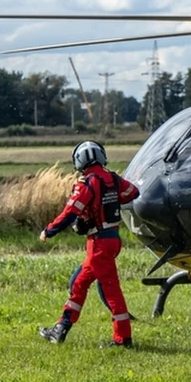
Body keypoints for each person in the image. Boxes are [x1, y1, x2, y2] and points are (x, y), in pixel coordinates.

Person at [39, 140, 140, 347]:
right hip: (113, 240)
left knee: (111, 290)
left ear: (79, 161)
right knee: (78, 283)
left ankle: (123, 339)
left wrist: (49, 230)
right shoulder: (112, 178)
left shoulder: (88, 183)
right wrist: (109, 201)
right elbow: (132, 193)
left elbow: (70, 212)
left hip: (99, 245)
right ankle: (61, 328)